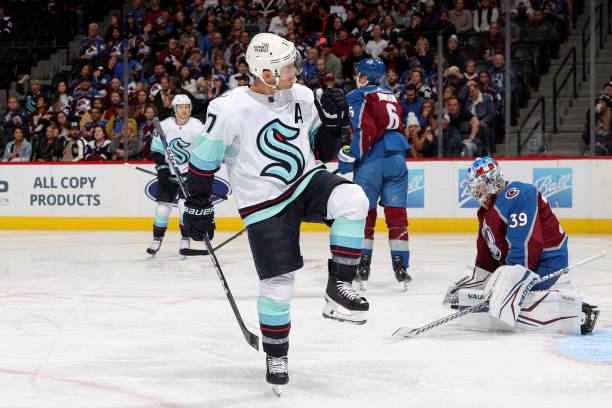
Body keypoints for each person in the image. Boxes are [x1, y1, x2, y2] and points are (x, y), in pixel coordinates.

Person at [182, 33, 369, 390]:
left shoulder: (301, 95)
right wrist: (198, 203)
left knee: (353, 199)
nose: (297, 70)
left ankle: (338, 287)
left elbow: (325, 152)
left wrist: (333, 124)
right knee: (278, 283)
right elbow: (204, 162)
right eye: (287, 67)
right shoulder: (229, 108)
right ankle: (276, 353)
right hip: (262, 202)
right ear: (265, 74)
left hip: (306, 181)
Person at [443, 157, 599, 335]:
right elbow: (486, 258)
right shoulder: (485, 212)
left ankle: (574, 313)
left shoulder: (517, 193)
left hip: (547, 264)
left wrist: (507, 283)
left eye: (478, 186)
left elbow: (527, 245)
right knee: (494, 299)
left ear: (490, 182)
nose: (475, 192)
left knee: (503, 304)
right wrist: (471, 285)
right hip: (520, 266)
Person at [339, 57, 412, 291]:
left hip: (373, 160)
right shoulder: (392, 95)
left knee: (366, 215)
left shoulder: (358, 95)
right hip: (398, 158)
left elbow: (366, 129)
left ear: (364, 76)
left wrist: (354, 156)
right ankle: (401, 268)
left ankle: (362, 267)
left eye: (357, 73)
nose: (355, 77)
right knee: (397, 216)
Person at [146, 94, 206, 256]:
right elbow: (156, 150)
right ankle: (157, 239)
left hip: (188, 174)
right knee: (162, 209)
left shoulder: (197, 126)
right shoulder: (164, 125)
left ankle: (185, 239)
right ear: (174, 109)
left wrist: (195, 170)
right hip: (169, 173)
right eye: (180, 107)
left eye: (187, 107)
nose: (184, 110)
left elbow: (203, 150)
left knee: (183, 207)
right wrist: (162, 169)